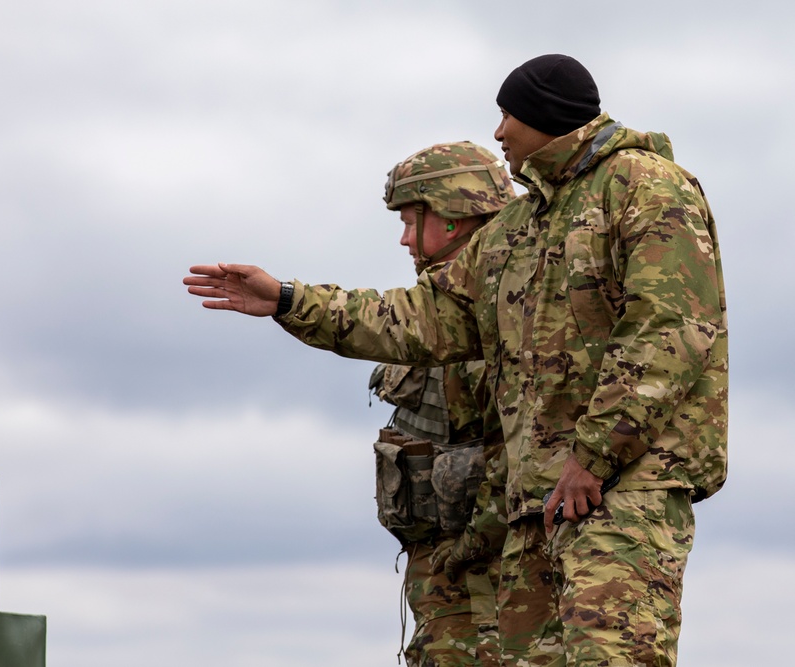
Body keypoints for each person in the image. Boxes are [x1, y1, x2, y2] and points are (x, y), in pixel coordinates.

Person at [184, 54, 727, 667]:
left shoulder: (645, 185)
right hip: (539, 505)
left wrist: (594, 456)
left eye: (507, 115)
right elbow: (420, 318)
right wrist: (287, 300)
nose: (498, 134)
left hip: (621, 493)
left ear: (545, 117)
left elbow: (670, 331)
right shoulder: (518, 228)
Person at [371, 141, 514, 666]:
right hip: (443, 577)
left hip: (489, 582)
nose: (405, 238)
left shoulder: (505, 311)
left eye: (412, 220)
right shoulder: (433, 309)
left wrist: (473, 543)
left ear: (453, 220)